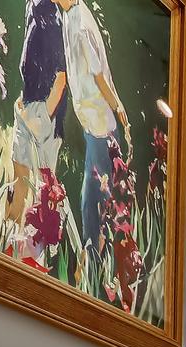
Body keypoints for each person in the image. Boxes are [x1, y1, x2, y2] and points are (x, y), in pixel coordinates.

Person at [53, 0, 133, 258]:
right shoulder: (68, 16)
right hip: (93, 124)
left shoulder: (82, 25)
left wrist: (119, 109)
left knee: (98, 203)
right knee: (93, 201)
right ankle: (95, 261)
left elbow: (100, 77)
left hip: (102, 126)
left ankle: (99, 263)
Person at [6, 0, 69, 252]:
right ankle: (8, 248)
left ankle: (32, 261)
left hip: (45, 117)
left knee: (42, 195)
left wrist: (39, 118)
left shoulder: (55, 21)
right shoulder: (34, 7)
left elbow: (62, 78)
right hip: (29, 105)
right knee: (18, 184)